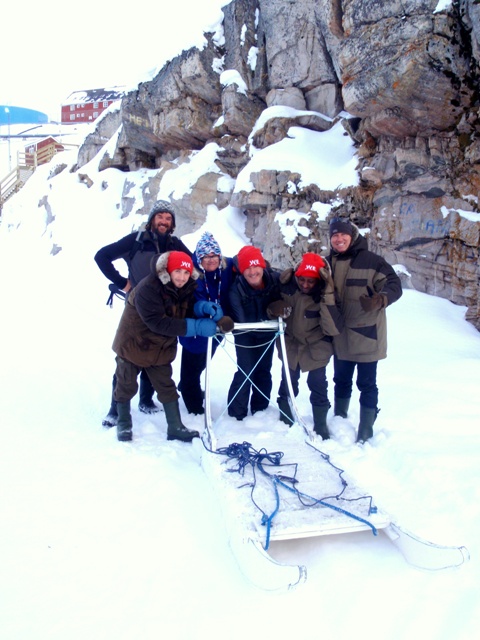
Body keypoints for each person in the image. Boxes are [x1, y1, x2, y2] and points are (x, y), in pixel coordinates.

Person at [111, 251, 231, 443]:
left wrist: (204, 308)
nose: (182, 277)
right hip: (134, 344)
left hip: (160, 347)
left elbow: (189, 305)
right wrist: (197, 327)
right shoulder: (148, 289)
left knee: (166, 387)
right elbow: (158, 322)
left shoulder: (186, 286)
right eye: (178, 271)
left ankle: (175, 427)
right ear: (166, 271)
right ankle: (124, 423)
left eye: (186, 272)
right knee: (126, 384)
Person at [95, 200, 192, 426]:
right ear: (152, 219)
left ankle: (146, 401)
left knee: (157, 352)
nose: (164, 222)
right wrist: (122, 283)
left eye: (168, 219)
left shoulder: (175, 244)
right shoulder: (136, 241)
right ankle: (115, 408)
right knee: (127, 354)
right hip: (136, 308)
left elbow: (193, 264)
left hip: (166, 308)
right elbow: (101, 256)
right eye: (160, 217)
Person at [326, 218, 402, 443]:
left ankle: (366, 429)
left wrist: (381, 299)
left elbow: (394, 285)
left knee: (367, 384)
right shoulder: (327, 262)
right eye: (334, 235)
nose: (339, 239)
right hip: (340, 336)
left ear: (353, 235)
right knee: (341, 380)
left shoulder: (372, 261)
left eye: (343, 234)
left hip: (367, 335)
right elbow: (306, 280)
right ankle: (340, 419)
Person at [267, 253, 344, 439]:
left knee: (317, 383)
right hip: (291, 342)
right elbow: (269, 307)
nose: (306, 285)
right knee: (288, 380)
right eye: (302, 280)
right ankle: (285, 414)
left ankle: (320, 422)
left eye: (311, 282)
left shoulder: (325, 294)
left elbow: (332, 328)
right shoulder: (286, 288)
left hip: (316, 344)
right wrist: (273, 309)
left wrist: (327, 297)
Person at [178, 231, 235, 415]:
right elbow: (192, 303)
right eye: (205, 257)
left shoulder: (225, 270)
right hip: (195, 331)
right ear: (198, 258)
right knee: (191, 371)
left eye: (214, 256)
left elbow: (241, 261)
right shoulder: (192, 276)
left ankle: (189, 386)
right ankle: (194, 408)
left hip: (216, 331)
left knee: (201, 364)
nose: (210, 260)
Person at [227, 245, 281, 420]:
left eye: (255, 266)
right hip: (245, 333)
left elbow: (291, 292)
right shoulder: (237, 289)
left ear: (262, 266)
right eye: (247, 268)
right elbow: (241, 319)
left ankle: (260, 408)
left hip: (267, 332)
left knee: (264, 369)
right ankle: (237, 412)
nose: (252, 272)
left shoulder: (274, 280)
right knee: (246, 369)